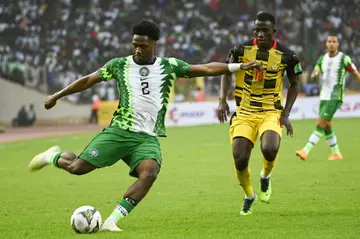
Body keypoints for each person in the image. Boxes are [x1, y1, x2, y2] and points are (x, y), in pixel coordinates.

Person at [28, 20, 262, 232]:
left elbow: (205, 68)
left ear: (154, 45)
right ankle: (53, 156)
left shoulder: (169, 65)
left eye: (143, 45)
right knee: (77, 168)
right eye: (134, 44)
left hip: (147, 137)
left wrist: (239, 67)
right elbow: (88, 80)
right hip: (119, 132)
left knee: (149, 173)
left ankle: (112, 221)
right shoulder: (119, 65)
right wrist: (57, 95)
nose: (137, 49)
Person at [217, 12, 302, 215]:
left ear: (274, 31)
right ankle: (249, 195)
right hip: (245, 112)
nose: (260, 34)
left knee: (270, 148)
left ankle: (265, 176)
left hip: (270, 112)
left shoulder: (287, 55)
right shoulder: (240, 50)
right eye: (257, 30)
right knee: (239, 159)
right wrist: (222, 99)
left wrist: (286, 113)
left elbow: (295, 84)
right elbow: (226, 71)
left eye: (265, 30)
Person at [296, 33, 360, 161]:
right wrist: (315, 74)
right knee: (327, 126)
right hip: (323, 96)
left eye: (334, 41)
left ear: (338, 44)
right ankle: (336, 153)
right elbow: (314, 74)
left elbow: (355, 74)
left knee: (320, 123)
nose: (331, 44)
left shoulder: (344, 59)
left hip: (335, 97)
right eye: (329, 41)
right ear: (326, 44)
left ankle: (305, 150)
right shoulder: (322, 59)